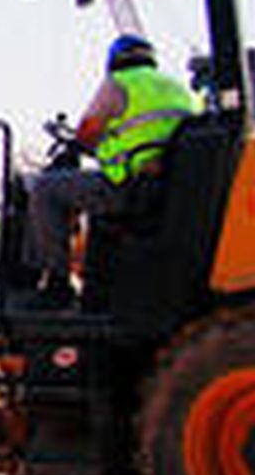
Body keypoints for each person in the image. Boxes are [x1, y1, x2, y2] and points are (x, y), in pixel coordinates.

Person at [23, 34, 198, 306]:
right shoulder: (179, 90)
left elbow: (87, 131)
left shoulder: (119, 83)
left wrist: (84, 146)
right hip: (165, 186)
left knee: (47, 190)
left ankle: (57, 285)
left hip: (128, 187)